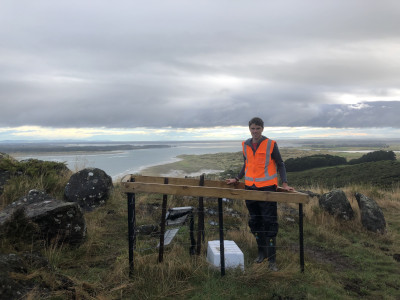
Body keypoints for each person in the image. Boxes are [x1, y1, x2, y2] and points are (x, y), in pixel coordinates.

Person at [226, 117, 294, 271]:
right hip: (250, 189)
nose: (255, 131)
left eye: (257, 128)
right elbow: (247, 164)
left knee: (269, 223)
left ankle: (272, 260)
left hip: (267, 190)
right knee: (255, 222)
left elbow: (280, 164)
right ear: (249, 129)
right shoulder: (245, 144)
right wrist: (236, 178)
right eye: (252, 128)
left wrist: (284, 183)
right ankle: (261, 253)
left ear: (262, 129)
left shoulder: (271, 144)